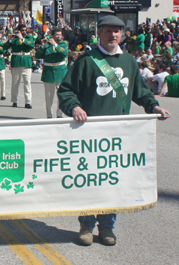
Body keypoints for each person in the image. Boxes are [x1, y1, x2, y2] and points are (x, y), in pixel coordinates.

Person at [58, 15, 170, 247]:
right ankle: (86, 224)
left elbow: (141, 91)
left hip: (118, 134)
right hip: (89, 134)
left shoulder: (129, 61)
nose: (113, 35)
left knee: (111, 181)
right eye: (108, 31)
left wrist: (154, 106)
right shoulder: (86, 60)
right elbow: (66, 91)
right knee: (89, 180)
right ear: (99, 33)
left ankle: (107, 226)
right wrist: (75, 107)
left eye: (117, 31)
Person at [35, 28, 68, 118]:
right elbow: (37, 56)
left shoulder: (63, 44)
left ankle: (59, 114)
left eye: (60, 34)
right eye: (57, 34)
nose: (58, 36)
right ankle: (49, 115)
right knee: (49, 96)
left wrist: (56, 45)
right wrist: (42, 46)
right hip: (49, 71)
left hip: (60, 71)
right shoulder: (47, 45)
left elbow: (64, 53)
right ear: (52, 36)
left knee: (61, 95)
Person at [3, 24, 35, 109]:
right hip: (16, 62)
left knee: (27, 82)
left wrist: (22, 39)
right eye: (22, 30)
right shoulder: (14, 38)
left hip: (26, 62)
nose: (24, 31)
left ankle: (28, 102)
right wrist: (10, 40)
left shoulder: (28, 38)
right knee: (15, 83)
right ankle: (14, 101)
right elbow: (4, 47)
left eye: (25, 30)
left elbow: (31, 45)